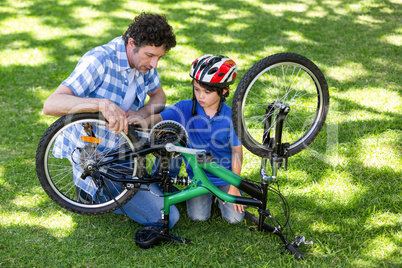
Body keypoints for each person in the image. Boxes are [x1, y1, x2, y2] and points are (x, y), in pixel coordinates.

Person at [42, 12, 179, 229]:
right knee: (168, 217)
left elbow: (159, 97)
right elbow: (51, 104)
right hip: (97, 163)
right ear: (131, 43)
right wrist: (101, 104)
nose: (154, 64)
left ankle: (149, 184)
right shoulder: (100, 60)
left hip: (126, 153)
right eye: (150, 55)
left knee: (176, 126)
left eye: (159, 58)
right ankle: (94, 193)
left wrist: (141, 113)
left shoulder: (143, 64)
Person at [137, 55, 245, 224]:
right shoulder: (185, 107)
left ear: (223, 91)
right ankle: (201, 194)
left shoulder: (231, 116)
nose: (200, 96)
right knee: (197, 217)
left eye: (207, 92)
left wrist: (234, 187)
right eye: (197, 89)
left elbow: (237, 151)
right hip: (198, 177)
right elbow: (159, 118)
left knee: (235, 220)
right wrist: (139, 123)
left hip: (224, 177)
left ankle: (221, 195)